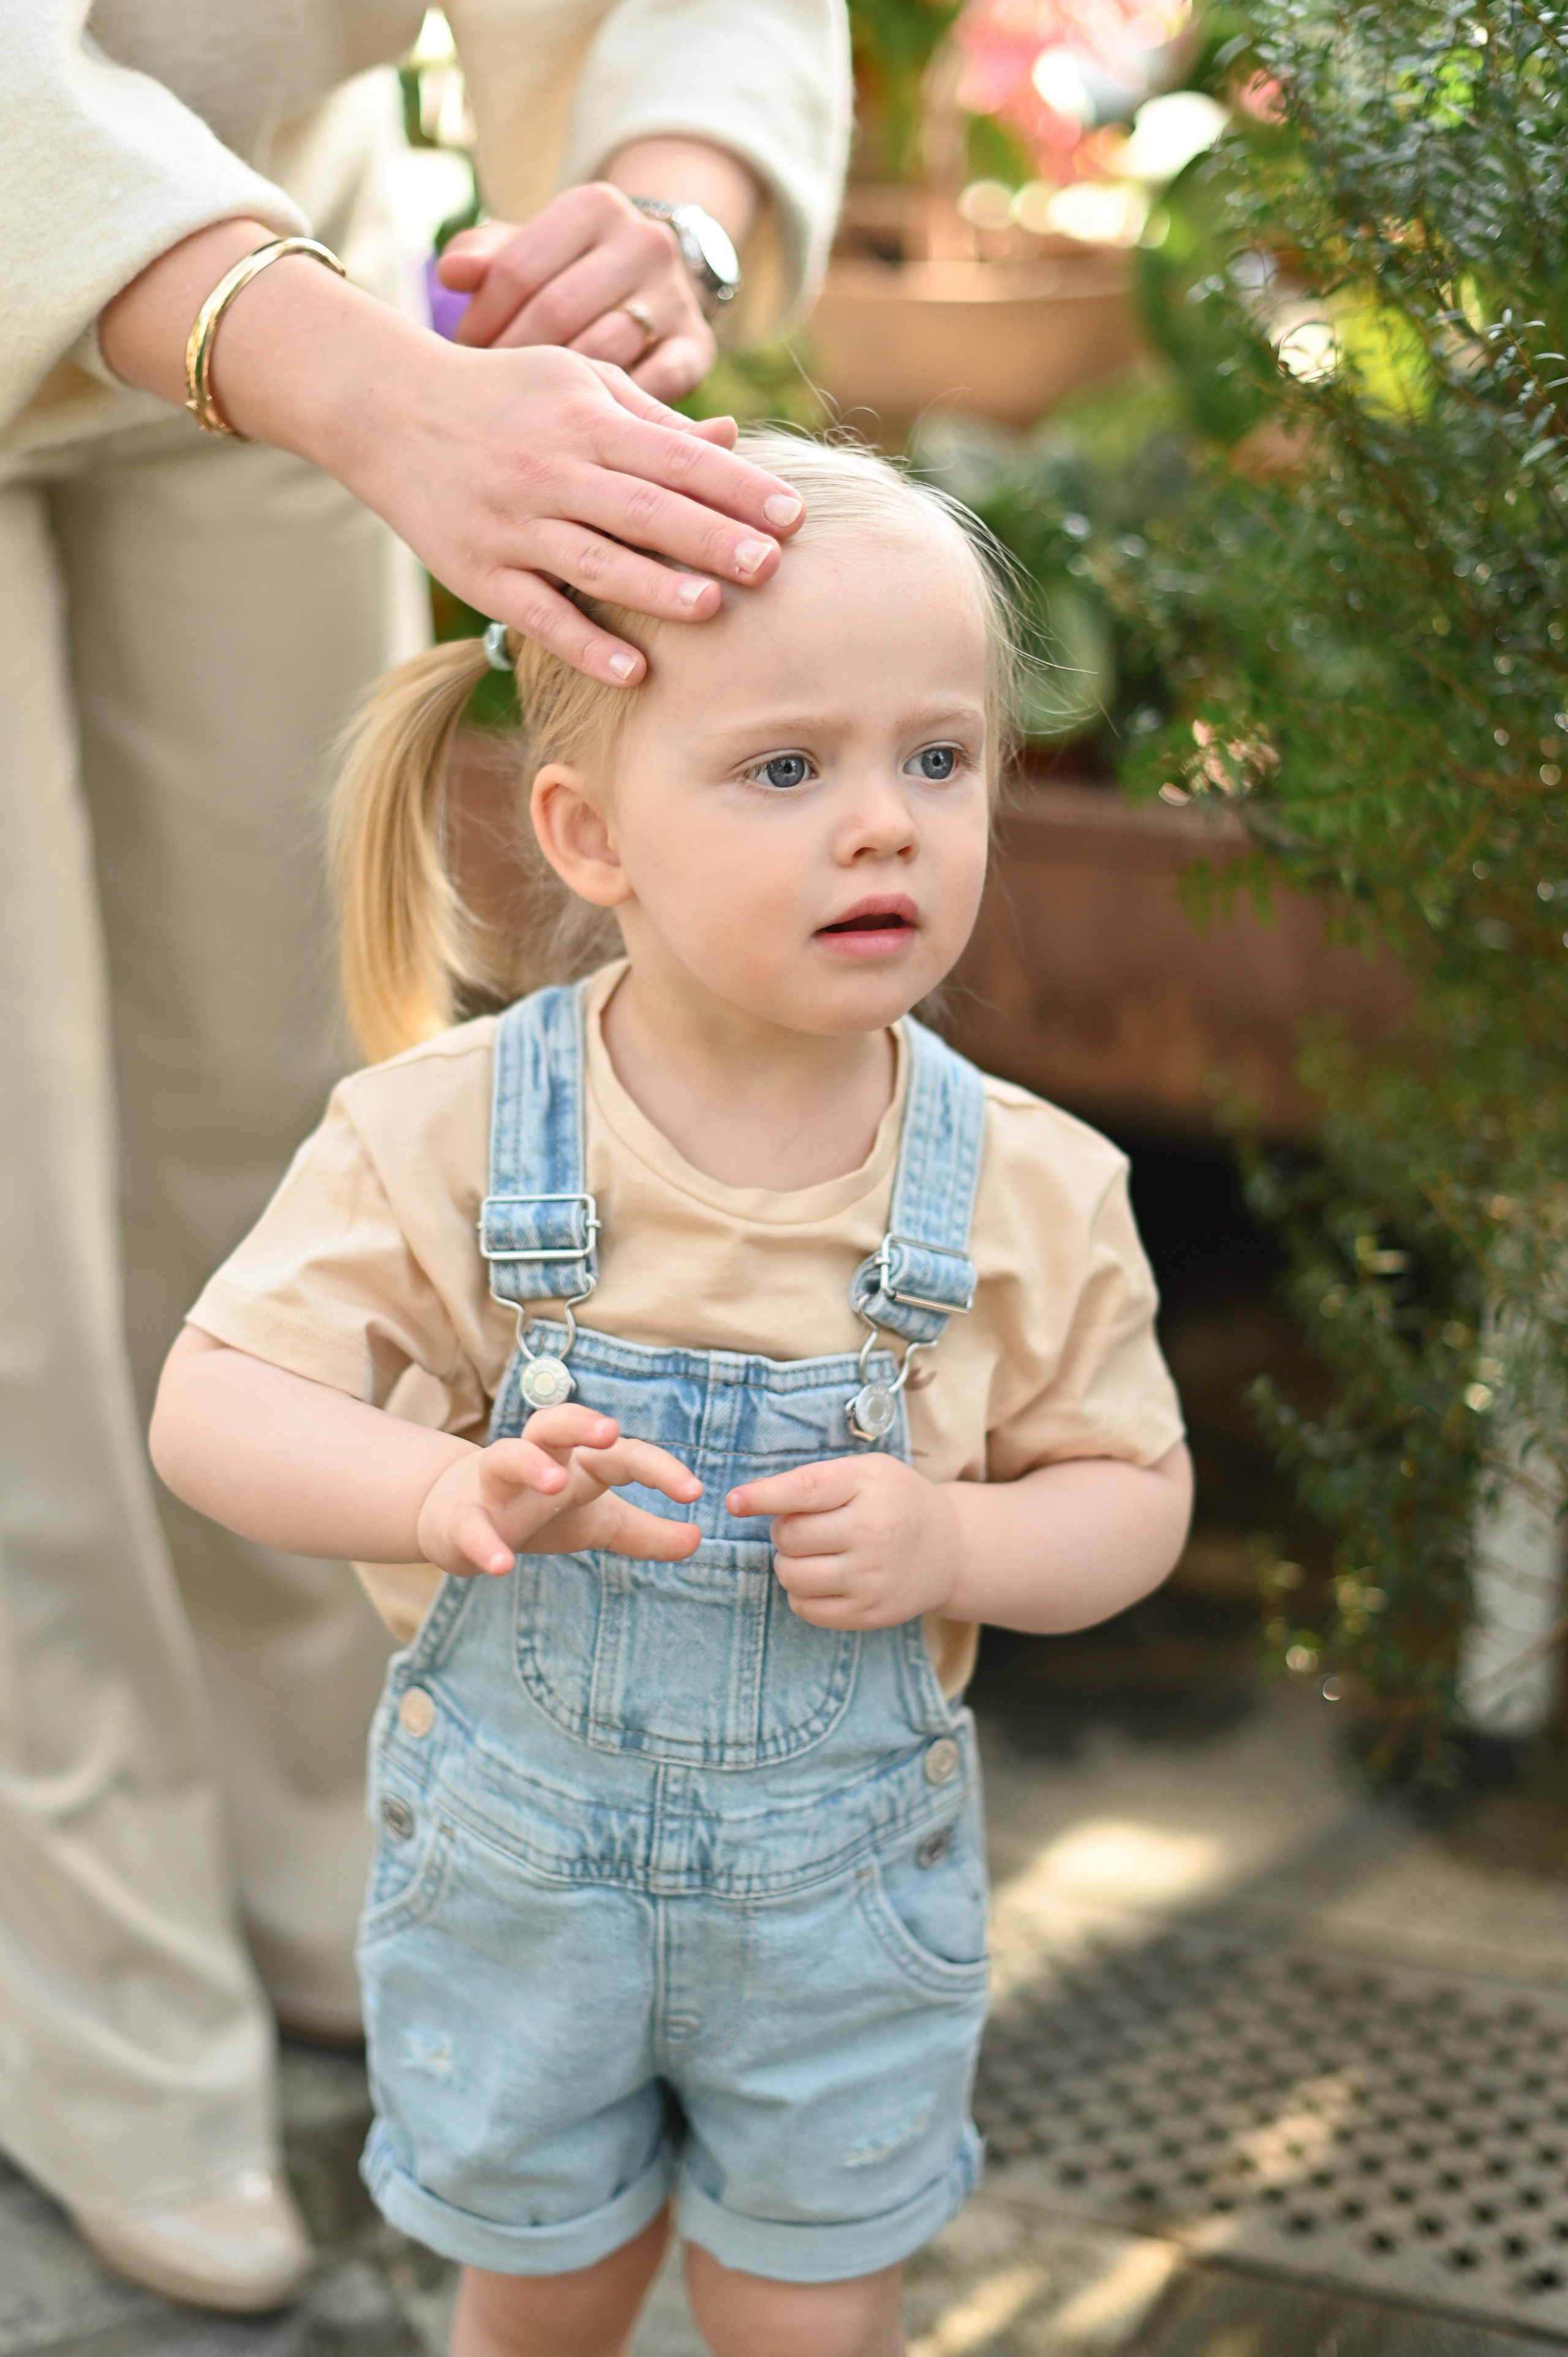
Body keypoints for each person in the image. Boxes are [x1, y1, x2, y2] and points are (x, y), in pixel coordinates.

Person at [149, 431, 1193, 2356]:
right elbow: (211, 1405)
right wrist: (436, 1491)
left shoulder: (1034, 1188)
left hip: (839, 1932)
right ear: (589, 834)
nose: (884, 825)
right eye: (788, 768)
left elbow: (1132, 1502)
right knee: (540, 2301)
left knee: (810, 2322)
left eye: (940, 759)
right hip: (517, 1905)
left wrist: (965, 1534)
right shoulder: (454, 1137)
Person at [1, 0, 849, 2312]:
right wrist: (375, 391)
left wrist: (662, 211)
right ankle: (87, 1989)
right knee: (14, 1277)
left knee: (288, 1168)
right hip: (227, 289)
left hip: (295, 269)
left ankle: (318, 1853)